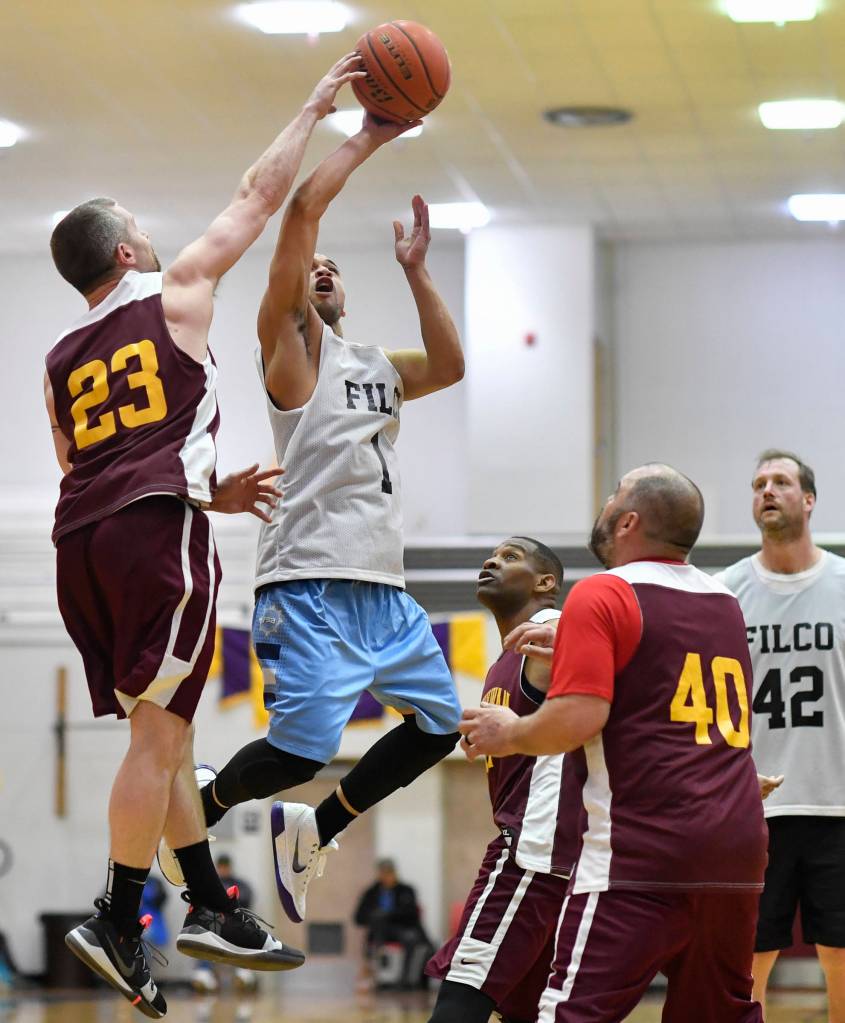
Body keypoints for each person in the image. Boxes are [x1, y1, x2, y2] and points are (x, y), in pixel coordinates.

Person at [44, 54, 365, 1018]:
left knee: (169, 732)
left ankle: (214, 904)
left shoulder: (59, 358)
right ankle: (117, 913)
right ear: (130, 253)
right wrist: (314, 107)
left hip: (82, 546)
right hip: (152, 536)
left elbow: (77, 465)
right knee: (159, 737)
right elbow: (256, 197)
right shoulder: (177, 289)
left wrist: (205, 488)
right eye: (141, 227)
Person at [193, 114, 465, 924]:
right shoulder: (289, 356)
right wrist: (372, 134)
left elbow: (449, 366)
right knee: (297, 751)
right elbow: (301, 209)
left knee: (440, 724)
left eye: (329, 268)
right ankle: (199, 808)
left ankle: (317, 829)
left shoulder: (375, 365)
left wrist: (415, 270)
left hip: (383, 586)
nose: (318, 268)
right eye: (304, 267)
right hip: (307, 580)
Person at [461, 464, 768, 1023]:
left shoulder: (602, 592)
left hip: (642, 854)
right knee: (719, 1014)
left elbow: (577, 718)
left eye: (612, 496)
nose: (602, 506)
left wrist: (511, 734)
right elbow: (666, 683)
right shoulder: (724, 601)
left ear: (627, 520)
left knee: (571, 1014)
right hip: (737, 852)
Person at [717, 450, 845, 1022]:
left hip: (837, 800)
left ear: (809, 500)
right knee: (749, 953)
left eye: (782, 482)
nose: (767, 490)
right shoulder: (724, 592)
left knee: (840, 953)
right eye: (759, 483)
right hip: (753, 804)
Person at [426, 536, 572, 1023]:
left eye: (511, 557)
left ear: (546, 583)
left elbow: (630, 693)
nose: (491, 561)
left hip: (533, 852)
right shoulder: (503, 662)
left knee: (460, 999)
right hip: (563, 860)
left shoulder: (554, 630)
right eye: (492, 555)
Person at [354, 858, 431, 990]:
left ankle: (406, 980)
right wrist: (375, 915)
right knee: (375, 938)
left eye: (389, 873)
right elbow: (358, 918)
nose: (387, 876)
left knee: (412, 940)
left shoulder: (406, 890)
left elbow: (412, 914)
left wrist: (389, 914)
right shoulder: (371, 892)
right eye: (383, 873)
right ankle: (375, 978)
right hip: (379, 931)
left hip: (401, 928)